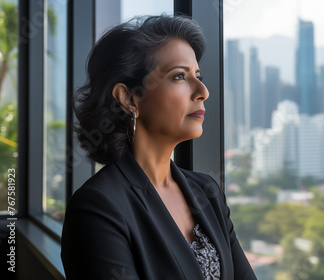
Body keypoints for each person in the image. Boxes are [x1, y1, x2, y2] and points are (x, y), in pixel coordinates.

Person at [60, 15, 257, 280]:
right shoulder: (97, 208)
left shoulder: (207, 192)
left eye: (198, 75)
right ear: (128, 98)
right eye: (179, 76)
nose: (202, 91)